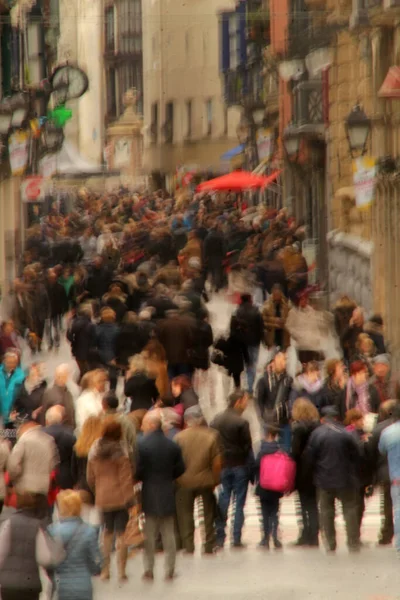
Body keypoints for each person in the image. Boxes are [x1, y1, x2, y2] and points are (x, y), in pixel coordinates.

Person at [136, 410, 185, 581]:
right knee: (168, 533)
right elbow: (181, 468)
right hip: (167, 490)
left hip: (149, 490)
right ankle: (169, 570)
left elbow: (137, 470)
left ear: (150, 425)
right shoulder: (172, 445)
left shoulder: (141, 445)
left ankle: (148, 569)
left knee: (149, 533)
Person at [305, 406, 361, 552]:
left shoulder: (317, 434)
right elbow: (357, 454)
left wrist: (311, 475)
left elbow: (310, 458)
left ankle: (330, 544)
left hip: (324, 480)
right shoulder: (346, 433)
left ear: (323, 419)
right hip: (345, 479)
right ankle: (353, 542)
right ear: (337, 418)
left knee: (326, 511)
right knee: (349, 510)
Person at [87, 416, 134, 582]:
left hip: (102, 496)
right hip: (121, 497)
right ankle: (121, 571)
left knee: (106, 534)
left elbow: (90, 477)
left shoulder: (95, 450)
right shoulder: (122, 451)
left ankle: (106, 570)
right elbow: (126, 478)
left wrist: (98, 490)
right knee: (122, 534)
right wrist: (130, 499)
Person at [175, 406, 221, 554]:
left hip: (183, 481)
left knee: (185, 515)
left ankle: (189, 546)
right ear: (201, 418)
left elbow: (174, 461)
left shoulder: (178, 437)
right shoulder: (212, 435)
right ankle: (209, 544)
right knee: (208, 514)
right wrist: (215, 480)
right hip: (206, 481)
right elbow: (218, 462)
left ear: (187, 421)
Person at [211, 391, 253, 549]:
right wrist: (252, 469)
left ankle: (220, 536)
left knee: (223, 500)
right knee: (239, 503)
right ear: (238, 402)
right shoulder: (242, 422)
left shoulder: (216, 420)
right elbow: (247, 447)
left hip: (222, 465)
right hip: (239, 465)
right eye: (245, 401)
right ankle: (236, 538)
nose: (246, 405)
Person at [0, 492, 58, 600]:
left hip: (8, 584)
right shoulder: (37, 525)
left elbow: (1, 552)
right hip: (30, 584)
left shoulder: (9, 523)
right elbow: (44, 558)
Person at [47, 490, 102, 600]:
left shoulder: (53, 531)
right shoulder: (89, 531)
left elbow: (50, 563)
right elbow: (97, 564)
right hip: (84, 585)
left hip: (63, 585)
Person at [7, 420, 59, 522]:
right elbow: (53, 465)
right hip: (43, 488)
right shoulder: (49, 440)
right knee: (41, 520)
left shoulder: (24, 440)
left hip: (25, 489)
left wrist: (15, 480)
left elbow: (13, 465)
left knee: (24, 519)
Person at [291, 398, 320, 547]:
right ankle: (314, 535)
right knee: (314, 504)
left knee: (303, 504)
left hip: (302, 470)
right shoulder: (317, 426)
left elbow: (295, 452)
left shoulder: (298, 428)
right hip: (316, 469)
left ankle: (305, 534)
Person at [368, 399, 397, 545]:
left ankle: (387, 533)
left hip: (386, 473)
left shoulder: (379, 429)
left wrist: (372, 475)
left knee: (387, 505)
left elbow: (372, 452)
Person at [255, 351, 292, 451]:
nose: (283, 362)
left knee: (285, 450)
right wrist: (263, 417)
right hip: (268, 423)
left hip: (284, 422)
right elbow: (259, 401)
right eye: (281, 360)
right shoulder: (263, 380)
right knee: (268, 451)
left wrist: (290, 416)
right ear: (273, 362)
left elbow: (291, 398)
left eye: (285, 360)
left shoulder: (288, 380)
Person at [71, 416, 103, 527]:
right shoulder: (101, 448)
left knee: (84, 519)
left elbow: (73, 469)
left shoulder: (78, 447)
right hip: (99, 486)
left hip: (82, 485)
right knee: (97, 521)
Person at [255, 424, 283, 550]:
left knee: (264, 513)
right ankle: (276, 538)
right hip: (276, 487)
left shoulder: (261, 451)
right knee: (275, 512)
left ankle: (265, 539)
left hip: (263, 486)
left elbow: (255, 467)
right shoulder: (279, 450)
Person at [379, 403, 400, 555]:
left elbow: (381, 449)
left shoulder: (388, 432)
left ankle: (399, 544)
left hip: (396, 479)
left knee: (398, 511)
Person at [233, 294, 264, 395]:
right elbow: (261, 327)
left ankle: (240, 385)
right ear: (250, 300)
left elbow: (234, 327)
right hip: (254, 342)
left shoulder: (238, 311)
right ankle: (250, 387)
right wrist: (261, 339)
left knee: (242, 363)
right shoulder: (256, 311)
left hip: (241, 343)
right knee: (252, 364)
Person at [43, 405, 76, 490]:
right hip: (66, 477)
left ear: (46, 421)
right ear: (61, 420)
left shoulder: (39, 435)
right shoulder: (70, 434)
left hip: (45, 476)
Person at [156, 308, 194, 379]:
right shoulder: (184, 325)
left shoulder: (163, 325)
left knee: (170, 376)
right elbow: (190, 339)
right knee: (183, 377)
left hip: (168, 356)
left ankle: (171, 387)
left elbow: (159, 340)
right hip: (183, 356)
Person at [124, 355, 159, 427]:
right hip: (148, 408)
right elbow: (156, 395)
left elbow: (126, 393)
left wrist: (127, 380)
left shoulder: (132, 380)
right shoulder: (149, 380)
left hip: (135, 408)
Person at [102, 391, 136, 460]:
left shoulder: (101, 421)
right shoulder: (128, 421)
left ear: (104, 405)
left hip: (105, 463)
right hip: (124, 461)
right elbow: (133, 443)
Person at [41, 364, 76, 429]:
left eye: (64, 376)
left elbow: (71, 412)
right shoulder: (49, 393)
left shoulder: (68, 392)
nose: (60, 378)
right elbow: (43, 414)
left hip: (68, 429)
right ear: (56, 376)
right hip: (55, 429)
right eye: (59, 376)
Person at [67, 304, 97, 379]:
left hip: (77, 352)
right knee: (87, 373)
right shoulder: (91, 325)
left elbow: (69, 336)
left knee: (82, 371)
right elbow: (94, 339)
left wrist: (74, 342)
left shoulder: (74, 323)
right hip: (88, 353)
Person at [75, 369, 108, 434]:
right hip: (88, 435)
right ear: (92, 383)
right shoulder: (85, 399)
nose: (104, 384)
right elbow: (84, 422)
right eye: (101, 381)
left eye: (105, 381)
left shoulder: (100, 397)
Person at [95, 307, 119, 391]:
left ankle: (100, 389)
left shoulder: (98, 329)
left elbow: (95, 342)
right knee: (113, 375)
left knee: (101, 374)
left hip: (101, 354)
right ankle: (112, 391)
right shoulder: (117, 329)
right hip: (113, 355)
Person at [261, 284, 290, 351]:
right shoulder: (266, 305)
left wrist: (284, 322)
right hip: (271, 337)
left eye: (278, 294)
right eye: (275, 294)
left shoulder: (286, 305)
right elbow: (263, 321)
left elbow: (290, 320)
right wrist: (274, 322)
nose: (277, 296)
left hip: (283, 336)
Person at [0, 351, 25, 428]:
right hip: (1, 416)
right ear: (4, 361)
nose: (12, 365)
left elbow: (23, 395)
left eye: (14, 363)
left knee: (11, 436)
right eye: (9, 362)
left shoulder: (21, 375)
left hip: (14, 416)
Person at [45, 268, 68, 350]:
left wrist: (64, 309)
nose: (52, 279)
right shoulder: (46, 288)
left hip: (57, 311)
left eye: (53, 278)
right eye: (50, 278)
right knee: (48, 328)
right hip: (47, 311)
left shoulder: (60, 288)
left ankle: (57, 342)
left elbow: (64, 299)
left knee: (56, 327)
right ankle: (49, 343)